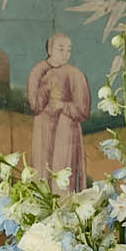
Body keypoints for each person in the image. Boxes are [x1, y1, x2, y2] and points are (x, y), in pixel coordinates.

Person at [27, 31, 92, 186]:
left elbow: (83, 109)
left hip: (66, 130)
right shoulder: (39, 71)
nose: (65, 54)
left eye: (69, 50)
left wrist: (63, 105)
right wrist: (47, 88)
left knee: (64, 172)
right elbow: (35, 106)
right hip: (43, 129)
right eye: (61, 49)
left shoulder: (75, 74)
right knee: (42, 170)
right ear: (50, 49)